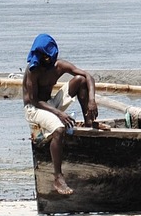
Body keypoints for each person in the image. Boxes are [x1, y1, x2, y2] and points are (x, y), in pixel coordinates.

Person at [22, 33, 99, 196]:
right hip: (34, 109)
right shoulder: (33, 70)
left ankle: (89, 122)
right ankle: (58, 176)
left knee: (80, 80)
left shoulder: (59, 66)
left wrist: (92, 100)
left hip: (49, 104)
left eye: (48, 57)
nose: (46, 60)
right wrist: (59, 114)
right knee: (58, 129)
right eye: (43, 57)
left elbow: (88, 76)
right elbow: (34, 100)